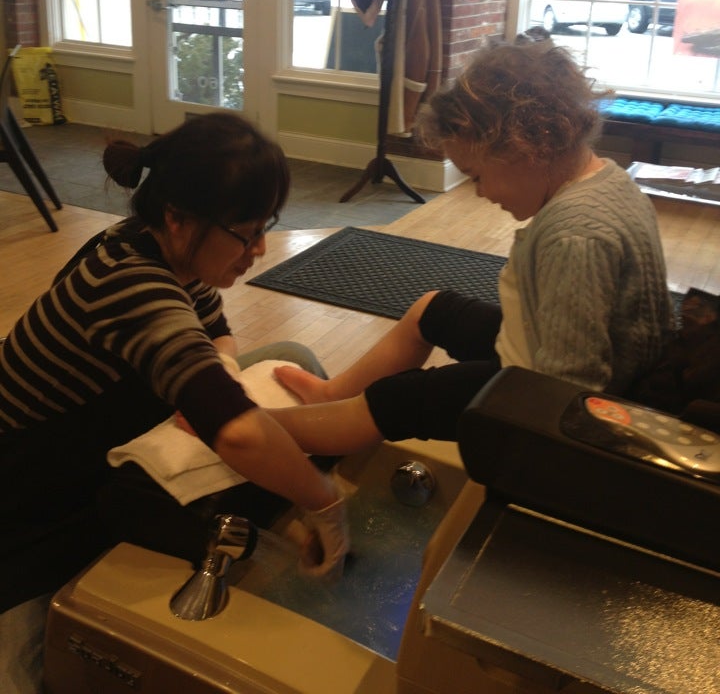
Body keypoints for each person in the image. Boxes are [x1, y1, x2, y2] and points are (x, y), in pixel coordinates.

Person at [0, 112, 348, 694]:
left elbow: (216, 330)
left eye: (266, 226)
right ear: (178, 218)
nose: (260, 248)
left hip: (94, 456)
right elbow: (237, 432)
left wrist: (220, 376)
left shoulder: (171, 252)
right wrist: (323, 500)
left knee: (286, 358)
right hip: (26, 495)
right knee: (33, 668)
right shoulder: (129, 280)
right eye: (246, 232)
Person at [270, 36, 674, 455]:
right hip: (536, 345)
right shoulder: (608, 179)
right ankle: (331, 393)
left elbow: (564, 391)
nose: (480, 193)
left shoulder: (575, 236)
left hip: (547, 395)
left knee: (396, 400)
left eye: (477, 176)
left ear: (526, 148)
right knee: (432, 309)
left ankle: (252, 432)